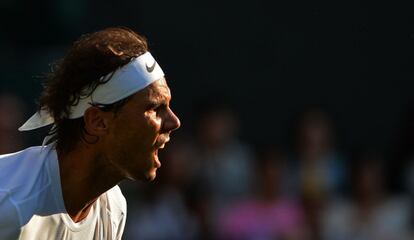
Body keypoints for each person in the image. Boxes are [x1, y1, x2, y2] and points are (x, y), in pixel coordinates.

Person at [0, 27, 181, 239]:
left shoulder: (113, 207)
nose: (174, 122)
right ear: (97, 121)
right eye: (155, 108)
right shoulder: (8, 204)